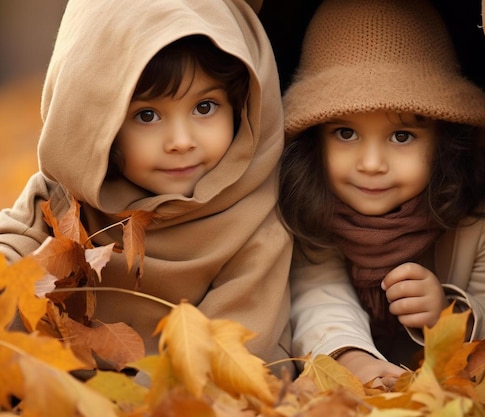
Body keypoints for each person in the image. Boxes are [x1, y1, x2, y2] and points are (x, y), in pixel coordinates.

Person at [0, 0, 293, 375]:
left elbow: (233, 356)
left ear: (241, 106)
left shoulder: (253, 224)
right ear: (98, 123)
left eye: (205, 107)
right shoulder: (64, 202)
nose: (181, 141)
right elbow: (13, 268)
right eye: (147, 115)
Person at [279, 0, 485, 384]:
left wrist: (451, 314)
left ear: (444, 140)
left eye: (402, 136)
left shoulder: (482, 213)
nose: (372, 163)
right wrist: (351, 358)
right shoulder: (316, 207)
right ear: (315, 142)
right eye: (346, 133)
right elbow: (318, 294)